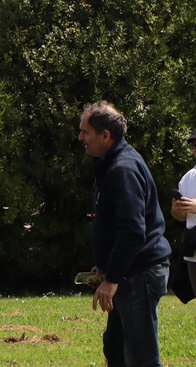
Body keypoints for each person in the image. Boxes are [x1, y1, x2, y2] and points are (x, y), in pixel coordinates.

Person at [79, 100, 170, 367]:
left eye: (85, 131)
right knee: (116, 349)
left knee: (140, 357)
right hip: (128, 273)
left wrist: (113, 278)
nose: (80, 137)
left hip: (138, 275)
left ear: (105, 136)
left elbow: (132, 231)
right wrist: (105, 266)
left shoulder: (123, 169)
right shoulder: (115, 163)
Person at [169, 128, 196, 297]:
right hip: (194, 254)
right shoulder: (188, 178)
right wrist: (177, 210)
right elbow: (180, 217)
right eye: (195, 145)